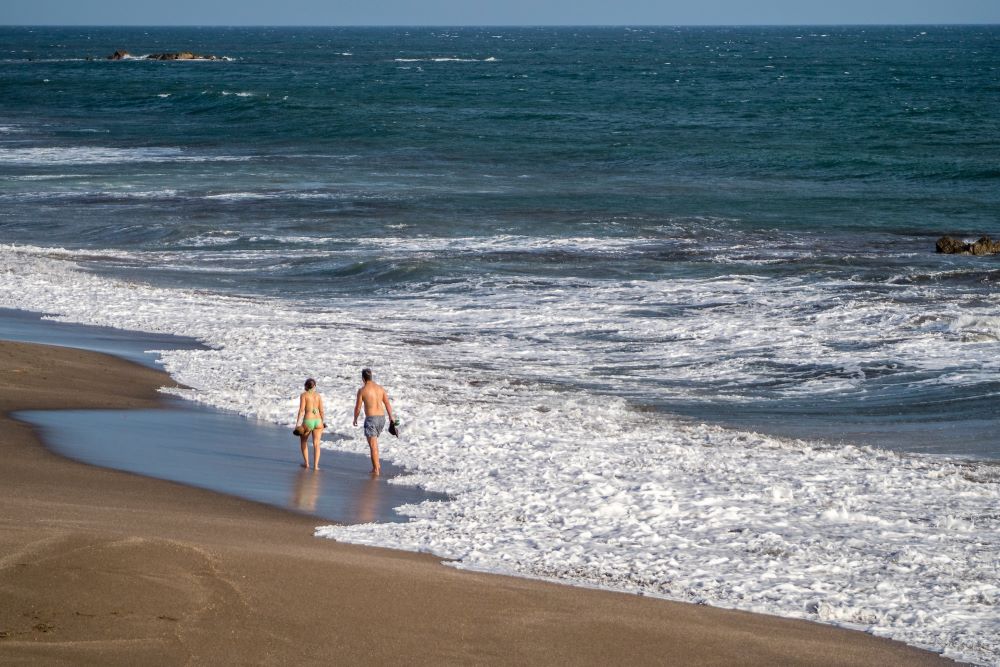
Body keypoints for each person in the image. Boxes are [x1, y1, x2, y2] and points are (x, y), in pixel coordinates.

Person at [353, 368, 395, 476]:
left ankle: (376, 469)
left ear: (363, 378)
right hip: (382, 418)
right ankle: (377, 464)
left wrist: (355, 419)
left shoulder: (362, 390)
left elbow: (358, 408)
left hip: (371, 419)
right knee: (374, 444)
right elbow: (387, 404)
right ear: (371, 376)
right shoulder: (380, 388)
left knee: (373, 445)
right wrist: (391, 418)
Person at [295, 378, 325, 470]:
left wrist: (297, 424)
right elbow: (322, 411)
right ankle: (316, 466)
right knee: (317, 444)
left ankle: (307, 463)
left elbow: (301, 410)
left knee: (304, 441)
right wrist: (322, 423)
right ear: (314, 386)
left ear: (305, 386)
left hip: (308, 421)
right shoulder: (318, 396)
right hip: (318, 421)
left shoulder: (304, 395)